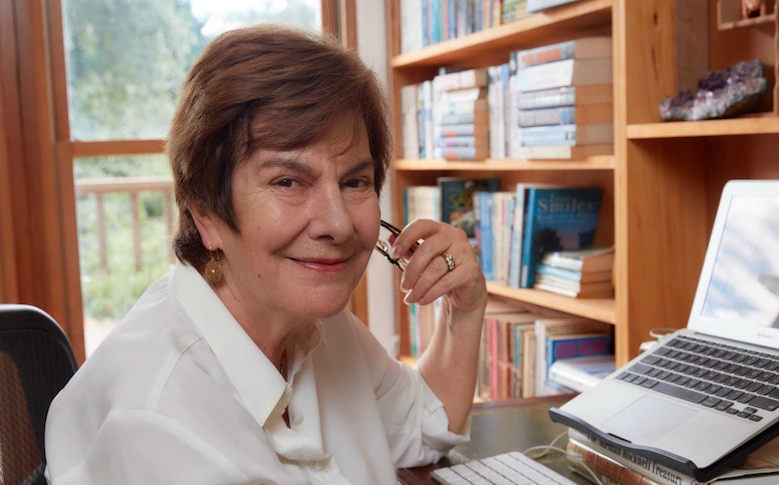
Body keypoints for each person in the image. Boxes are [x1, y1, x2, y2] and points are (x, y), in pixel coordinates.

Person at [44, 24, 487, 485]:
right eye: (288, 182)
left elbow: (424, 427)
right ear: (206, 212)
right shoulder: (157, 418)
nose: (337, 224)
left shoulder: (311, 323)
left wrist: (464, 309)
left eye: (354, 182)